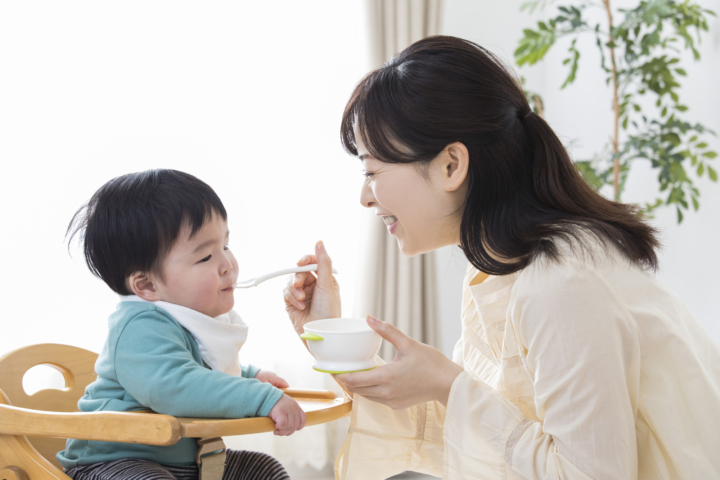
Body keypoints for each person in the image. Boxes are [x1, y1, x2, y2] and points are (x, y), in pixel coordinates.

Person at [283, 36, 720, 479]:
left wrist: (448, 384)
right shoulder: (498, 267)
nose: (364, 197)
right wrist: (330, 339)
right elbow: (466, 432)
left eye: (372, 172)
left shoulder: (562, 282)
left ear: (451, 165)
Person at [59, 169, 305, 480]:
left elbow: (202, 373)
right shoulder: (138, 326)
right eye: (205, 257)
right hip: (113, 462)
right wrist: (257, 397)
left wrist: (250, 376)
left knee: (263, 470)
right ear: (146, 285)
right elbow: (175, 385)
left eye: (225, 246)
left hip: (191, 464)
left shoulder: (187, 320)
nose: (227, 264)